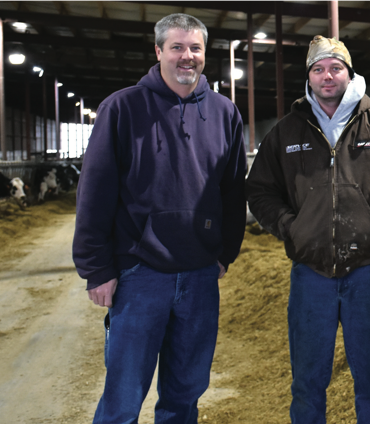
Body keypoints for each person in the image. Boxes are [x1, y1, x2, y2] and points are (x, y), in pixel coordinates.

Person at [72, 13, 247, 424]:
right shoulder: (122, 107)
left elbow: (233, 191)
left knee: (185, 394)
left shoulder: (225, 113)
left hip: (201, 275)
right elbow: (94, 192)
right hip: (139, 273)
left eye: (195, 48)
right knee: (123, 395)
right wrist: (96, 269)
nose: (187, 56)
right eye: (177, 47)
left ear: (206, 54)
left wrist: (226, 252)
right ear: (158, 51)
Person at [246, 36, 370, 423]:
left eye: (335, 68)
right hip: (310, 273)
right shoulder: (286, 132)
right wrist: (291, 228)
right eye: (318, 69)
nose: (327, 76)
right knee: (307, 382)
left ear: (349, 73)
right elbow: (260, 190)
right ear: (309, 78)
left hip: (369, 271)